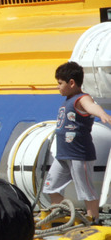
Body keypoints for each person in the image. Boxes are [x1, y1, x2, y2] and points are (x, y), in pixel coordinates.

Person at [42, 61, 111, 223]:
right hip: (63, 154)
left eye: (60, 83)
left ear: (71, 83)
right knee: (51, 186)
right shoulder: (68, 100)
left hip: (79, 154)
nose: (58, 87)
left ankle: (93, 220)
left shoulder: (82, 99)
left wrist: (102, 114)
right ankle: (59, 216)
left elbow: (91, 106)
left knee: (86, 190)